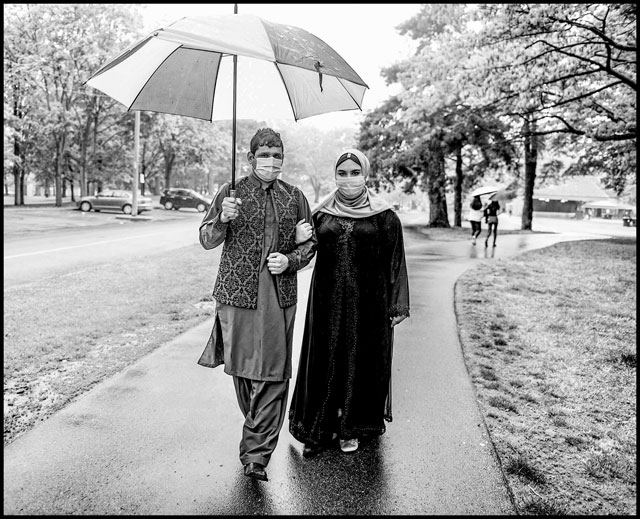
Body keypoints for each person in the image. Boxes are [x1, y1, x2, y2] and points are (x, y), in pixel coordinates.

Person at [196, 128, 317, 482]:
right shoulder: (229, 192)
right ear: (250, 159)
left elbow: (309, 246)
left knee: (274, 373)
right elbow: (206, 239)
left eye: (277, 154)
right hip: (237, 295)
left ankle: (256, 455)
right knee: (246, 370)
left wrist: (291, 260)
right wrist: (223, 218)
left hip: (278, 297)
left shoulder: (295, 197)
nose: (272, 160)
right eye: (264, 154)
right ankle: (256, 428)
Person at [288, 148, 410, 457]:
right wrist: (298, 238)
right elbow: (303, 253)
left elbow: (396, 261)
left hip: (369, 304)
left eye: (355, 173)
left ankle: (350, 428)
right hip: (326, 302)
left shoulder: (384, 216)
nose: (349, 179)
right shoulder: (321, 213)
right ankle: (319, 429)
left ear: (366, 175)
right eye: (342, 173)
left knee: (361, 361)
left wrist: (397, 305)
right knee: (325, 361)